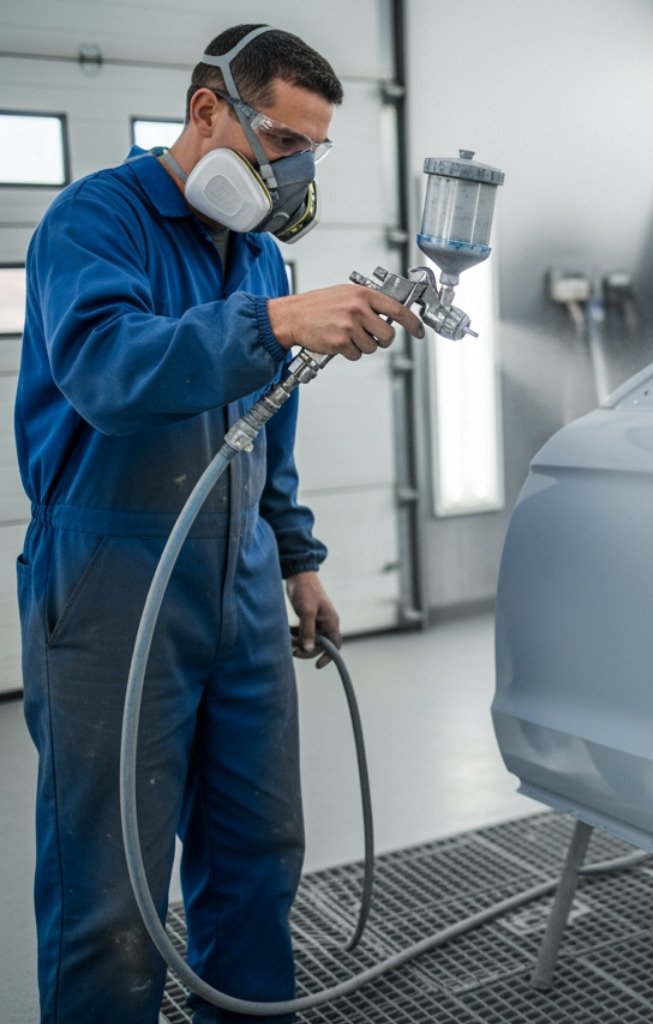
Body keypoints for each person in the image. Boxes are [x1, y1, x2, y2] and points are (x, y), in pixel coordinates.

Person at [13, 23, 424, 1024]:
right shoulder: (92, 221)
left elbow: (262, 428)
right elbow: (109, 367)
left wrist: (294, 557)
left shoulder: (255, 257)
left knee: (256, 852)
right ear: (209, 112)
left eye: (310, 155)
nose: (292, 178)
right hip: (113, 579)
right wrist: (279, 322)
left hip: (237, 583)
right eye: (281, 144)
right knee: (111, 890)